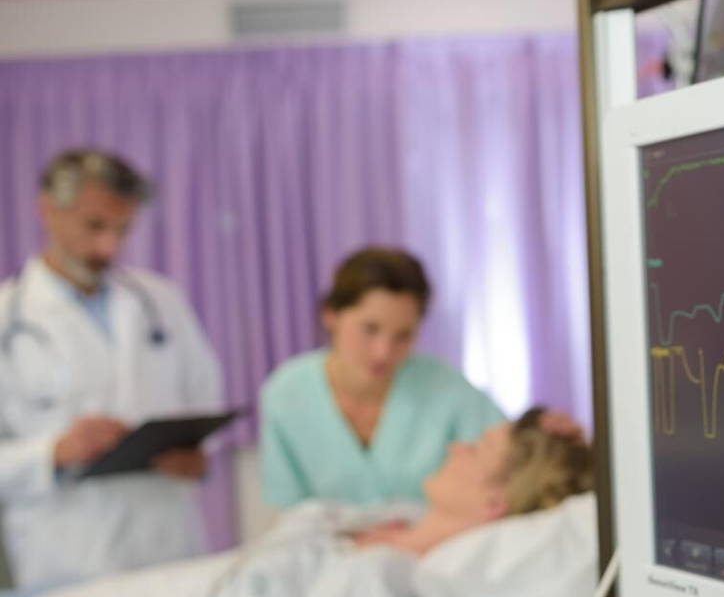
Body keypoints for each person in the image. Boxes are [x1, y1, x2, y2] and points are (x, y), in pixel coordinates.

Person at [46, 408, 594, 597]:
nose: (455, 445)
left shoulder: (400, 576)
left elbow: (587, 527)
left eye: (475, 449)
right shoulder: (390, 517)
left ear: (496, 501)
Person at [0, 149, 223, 588]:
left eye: (122, 229)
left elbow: (204, 402)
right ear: (48, 209)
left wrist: (197, 458)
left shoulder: (161, 302)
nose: (110, 246)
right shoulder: (8, 319)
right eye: (95, 226)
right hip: (68, 557)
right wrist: (52, 452)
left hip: (168, 547)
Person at [259, 247, 506, 507]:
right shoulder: (286, 395)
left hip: (437, 545)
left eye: (403, 335)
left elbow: (514, 458)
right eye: (369, 329)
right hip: (329, 546)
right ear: (331, 316)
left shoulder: (447, 389)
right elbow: (285, 508)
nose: (383, 352)